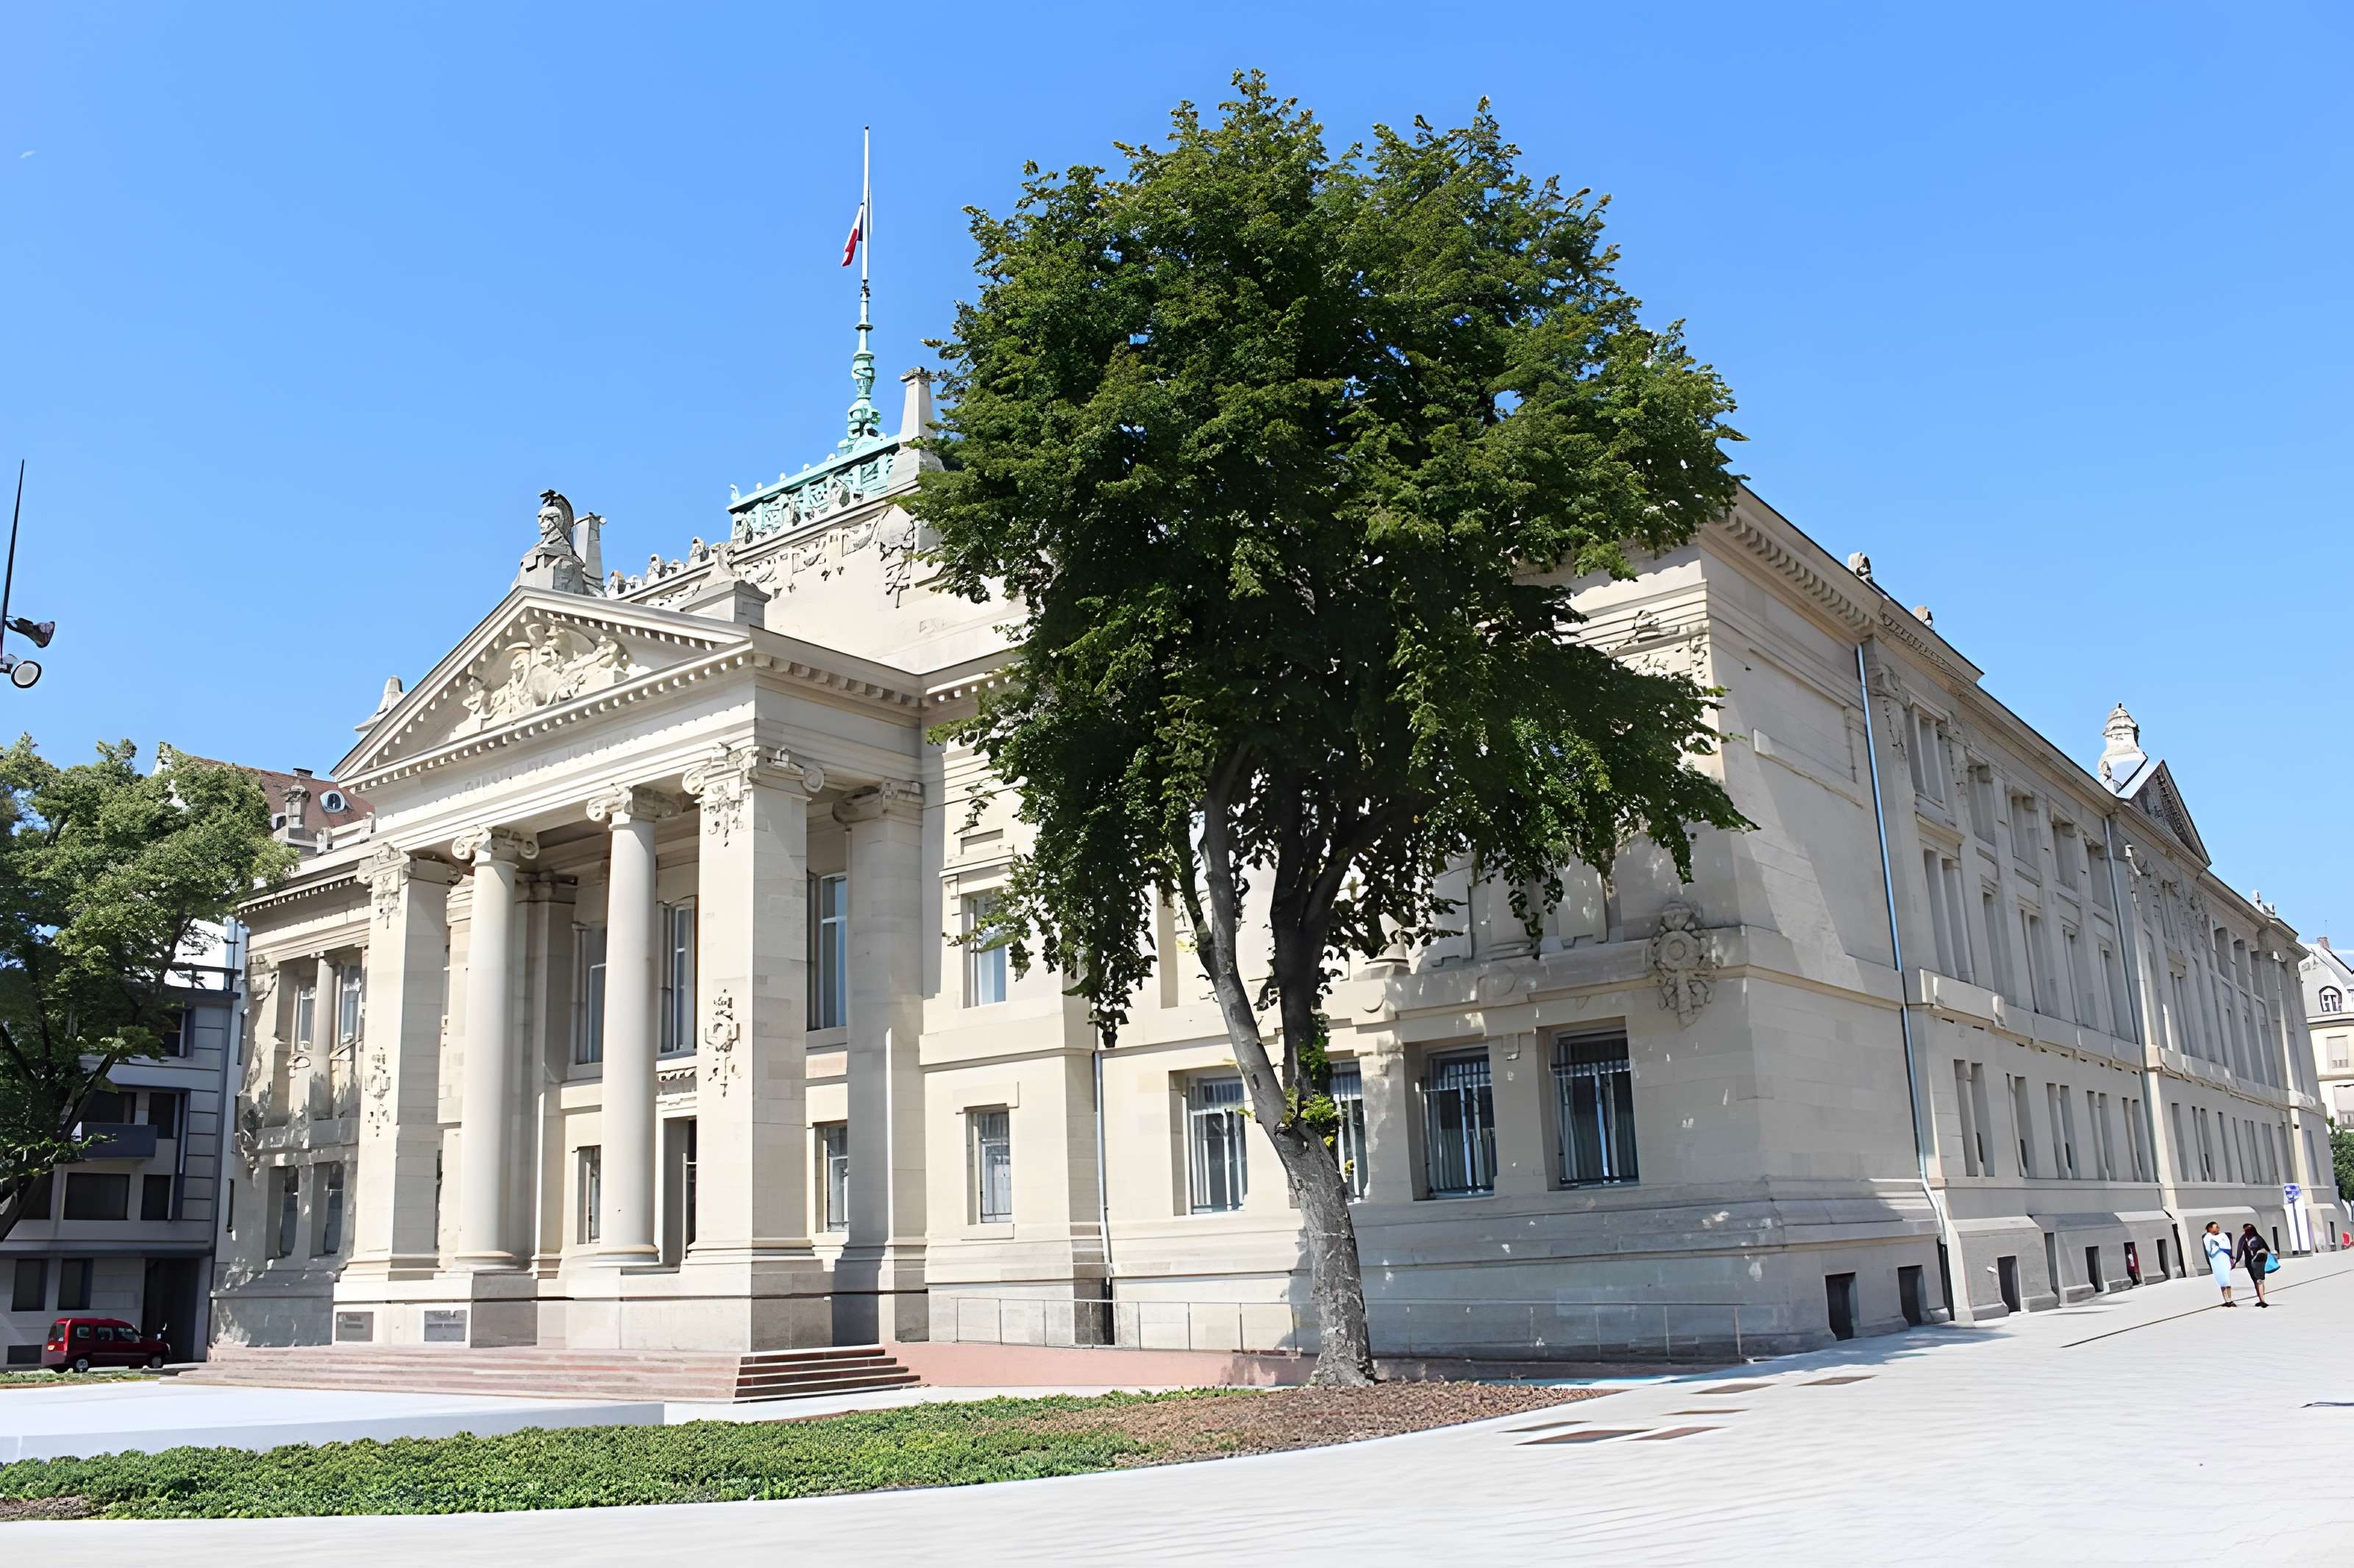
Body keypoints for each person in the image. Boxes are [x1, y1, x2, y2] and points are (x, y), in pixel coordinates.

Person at [2236, 1223, 2273, 1308]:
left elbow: (2239, 1251)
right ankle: (2262, 1300)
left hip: (2254, 1262)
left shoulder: (2246, 1239)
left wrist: (2236, 1261)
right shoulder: (2255, 1238)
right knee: (2258, 1280)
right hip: (2255, 1262)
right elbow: (2267, 1249)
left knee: (2257, 1281)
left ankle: (2262, 1300)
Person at [2203, 1221, 2236, 1306]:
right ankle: (2226, 1300)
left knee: (2226, 1280)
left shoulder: (2223, 1236)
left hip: (2224, 1260)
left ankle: (2230, 1299)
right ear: (2209, 1229)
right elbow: (2209, 1249)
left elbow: (2228, 1247)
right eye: (2213, 1228)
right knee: (2221, 1280)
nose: (2216, 1229)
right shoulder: (2207, 1237)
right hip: (2215, 1261)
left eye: (2217, 1227)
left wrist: (2230, 1258)